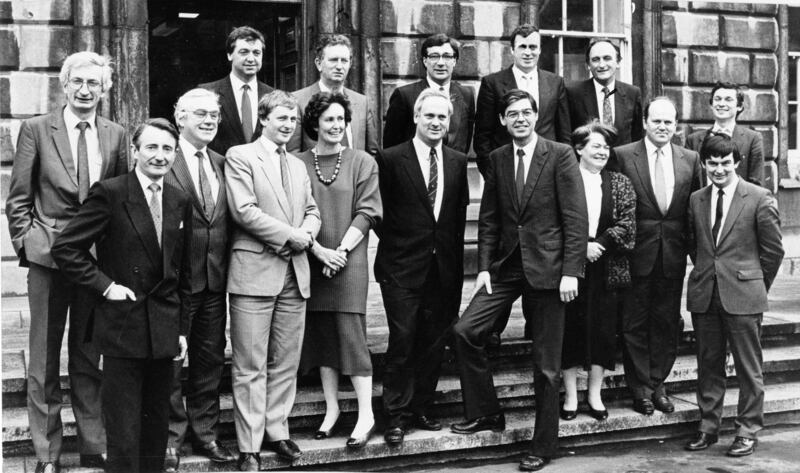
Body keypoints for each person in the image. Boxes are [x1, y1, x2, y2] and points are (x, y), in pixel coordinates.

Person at [450, 89, 588, 472]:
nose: (520, 119)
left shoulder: (559, 154)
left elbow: (576, 220)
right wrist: (482, 268)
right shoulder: (496, 158)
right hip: (507, 267)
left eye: (526, 112)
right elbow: (491, 218)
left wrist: (571, 272)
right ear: (502, 121)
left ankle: (543, 445)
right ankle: (487, 412)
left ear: (535, 115)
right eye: (513, 114)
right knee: (465, 331)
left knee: (545, 365)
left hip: (549, 271)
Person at [5, 51, 129, 473]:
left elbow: (122, 199)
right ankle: (46, 454)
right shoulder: (37, 129)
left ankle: (95, 444)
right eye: (77, 82)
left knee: (89, 354)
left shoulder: (116, 135)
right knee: (41, 359)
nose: (84, 90)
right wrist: (27, 244)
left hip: (96, 261)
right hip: (48, 257)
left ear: (104, 89)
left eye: (94, 84)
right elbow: (18, 198)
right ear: (64, 83)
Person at [51, 118, 192, 473]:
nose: (159, 156)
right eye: (151, 148)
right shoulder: (111, 192)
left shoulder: (178, 199)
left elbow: (182, 272)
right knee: (125, 435)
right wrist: (106, 286)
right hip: (122, 327)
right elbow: (67, 248)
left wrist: (181, 330)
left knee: (156, 429)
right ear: (134, 151)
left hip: (162, 329)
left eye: (167, 149)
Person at [224, 90, 321, 471]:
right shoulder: (241, 156)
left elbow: (312, 210)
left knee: (286, 361)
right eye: (281, 118)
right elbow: (244, 211)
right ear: (263, 119)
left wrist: (308, 232)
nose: (288, 125)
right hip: (254, 274)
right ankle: (249, 445)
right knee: (249, 363)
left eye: (293, 120)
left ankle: (276, 431)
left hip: (295, 275)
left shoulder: (297, 165)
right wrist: (292, 237)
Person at [375, 88, 469, 446]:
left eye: (442, 117)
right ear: (416, 117)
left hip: (443, 267)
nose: (435, 122)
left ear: (449, 123)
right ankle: (395, 416)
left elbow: (457, 217)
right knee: (403, 339)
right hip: (401, 266)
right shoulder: (390, 158)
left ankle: (421, 407)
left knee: (433, 341)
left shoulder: (458, 162)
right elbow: (381, 213)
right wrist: (404, 246)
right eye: (429, 115)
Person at [684, 134, 784, 457]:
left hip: (744, 296)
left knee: (747, 367)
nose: (719, 169)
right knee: (708, 364)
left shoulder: (758, 196)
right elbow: (693, 244)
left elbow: (773, 251)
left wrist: (754, 285)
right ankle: (708, 427)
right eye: (712, 163)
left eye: (726, 163)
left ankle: (747, 430)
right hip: (705, 294)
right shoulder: (696, 199)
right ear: (704, 164)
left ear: (737, 163)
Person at [297, 92, 383, 448]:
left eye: (341, 120)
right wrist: (319, 253)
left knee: (350, 334)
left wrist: (341, 252)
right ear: (314, 123)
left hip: (349, 260)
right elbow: (295, 210)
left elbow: (368, 211)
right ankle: (331, 409)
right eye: (328, 119)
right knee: (320, 335)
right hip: (312, 258)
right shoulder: (296, 161)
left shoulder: (361, 161)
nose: (335, 126)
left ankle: (366, 413)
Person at [614, 97, 704, 416]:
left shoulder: (690, 159)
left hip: (673, 256)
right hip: (636, 254)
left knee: (666, 322)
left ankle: (658, 384)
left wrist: (698, 256)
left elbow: (695, 211)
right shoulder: (624, 156)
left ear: (676, 125)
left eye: (669, 121)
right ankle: (639, 389)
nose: (662, 126)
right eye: (657, 121)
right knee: (634, 322)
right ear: (644, 122)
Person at [163, 89, 234, 472]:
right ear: (181, 118)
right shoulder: (163, 159)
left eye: (214, 115)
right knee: (172, 360)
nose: (209, 121)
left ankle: (206, 433)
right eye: (201, 114)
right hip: (174, 283)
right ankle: (171, 438)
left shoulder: (223, 162)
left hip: (214, 280)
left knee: (209, 360)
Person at [560, 121, 636, 423]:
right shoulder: (564, 180)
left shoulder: (619, 182)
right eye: (596, 146)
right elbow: (554, 223)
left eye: (606, 147)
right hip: (569, 268)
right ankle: (570, 395)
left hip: (606, 268)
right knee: (569, 330)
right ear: (579, 149)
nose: (602, 151)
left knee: (603, 332)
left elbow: (629, 224)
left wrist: (598, 244)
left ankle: (594, 394)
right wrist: (581, 248)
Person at [474, 23, 571, 177]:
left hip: (548, 169)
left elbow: (564, 133)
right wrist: (491, 174)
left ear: (539, 49)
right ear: (512, 50)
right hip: (506, 170)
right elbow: (482, 136)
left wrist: (562, 170)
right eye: (522, 47)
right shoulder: (492, 83)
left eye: (533, 47)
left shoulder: (555, 82)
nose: (528, 52)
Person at [383, 33, 476, 154]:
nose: (441, 63)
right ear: (425, 61)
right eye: (434, 56)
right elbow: (391, 147)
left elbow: (465, 141)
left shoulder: (466, 95)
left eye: (447, 56)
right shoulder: (404, 95)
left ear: (454, 61)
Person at [289, 35, 379, 155]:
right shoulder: (298, 101)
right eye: (333, 60)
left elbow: (372, 153)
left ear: (350, 64)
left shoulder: (362, 102)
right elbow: (293, 156)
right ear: (318, 63)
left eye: (344, 61)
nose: (339, 66)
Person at [199, 26, 274, 156]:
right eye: (244, 52)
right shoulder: (206, 92)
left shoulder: (273, 95)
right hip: (221, 171)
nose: (251, 59)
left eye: (256, 53)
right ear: (229, 55)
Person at [685, 82, 765, 188]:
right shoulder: (693, 140)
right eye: (717, 99)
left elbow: (756, 184)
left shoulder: (753, 139)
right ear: (711, 105)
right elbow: (688, 183)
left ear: (739, 106)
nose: (721, 104)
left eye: (728, 99)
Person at [566, 39, 643, 146]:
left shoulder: (632, 93)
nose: (602, 65)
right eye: (596, 60)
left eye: (607, 58)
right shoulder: (574, 93)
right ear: (588, 65)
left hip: (622, 161)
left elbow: (637, 138)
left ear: (618, 62)